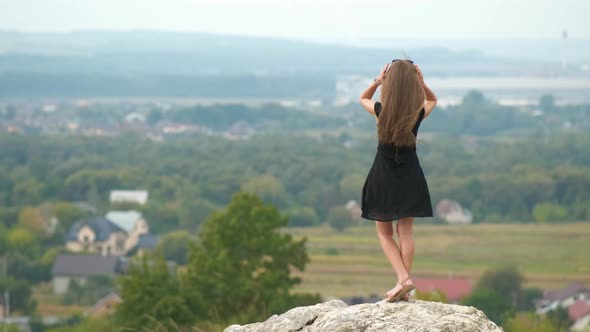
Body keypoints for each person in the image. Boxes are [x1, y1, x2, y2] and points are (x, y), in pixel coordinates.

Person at [359, 59, 437, 302]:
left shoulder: (382, 110)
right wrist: (422, 83)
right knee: (406, 232)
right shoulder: (416, 115)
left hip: (384, 177)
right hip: (410, 176)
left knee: (384, 234)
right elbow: (432, 100)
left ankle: (403, 280)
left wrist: (377, 81)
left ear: (389, 85)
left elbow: (362, 99)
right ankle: (403, 283)